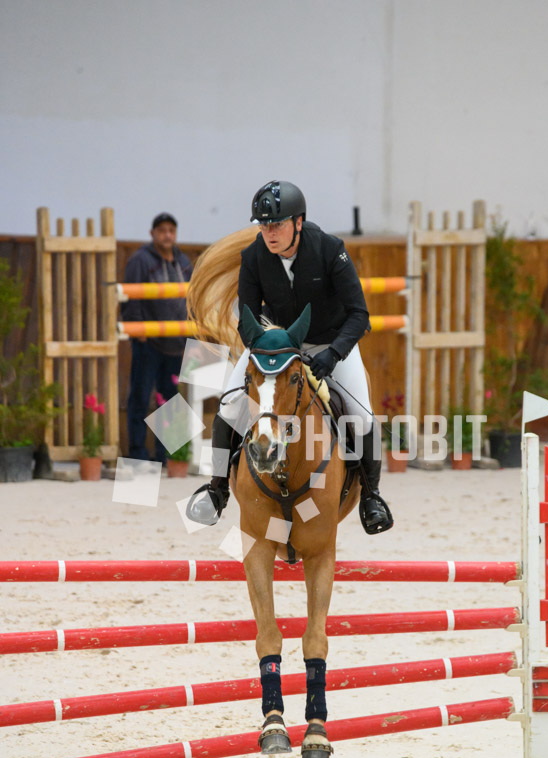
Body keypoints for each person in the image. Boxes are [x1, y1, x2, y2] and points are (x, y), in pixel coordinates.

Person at [189, 181, 393, 535]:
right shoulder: (254, 256)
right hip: (276, 347)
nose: (269, 233)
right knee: (229, 406)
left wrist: (332, 354)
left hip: (330, 344)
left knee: (360, 414)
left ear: (299, 222)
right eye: (264, 225)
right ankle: (217, 490)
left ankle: (372, 497)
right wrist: (268, 347)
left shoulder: (330, 250)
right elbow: (248, 320)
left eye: (277, 224)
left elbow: (359, 315)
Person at [121, 213, 193, 462]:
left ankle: (169, 456)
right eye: (162, 230)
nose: (167, 235)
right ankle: (138, 454)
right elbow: (131, 297)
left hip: (177, 342)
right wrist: (138, 330)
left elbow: (192, 297)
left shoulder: (183, 261)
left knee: (172, 399)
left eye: (171, 230)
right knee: (140, 397)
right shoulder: (140, 260)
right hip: (148, 342)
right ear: (152, 233)